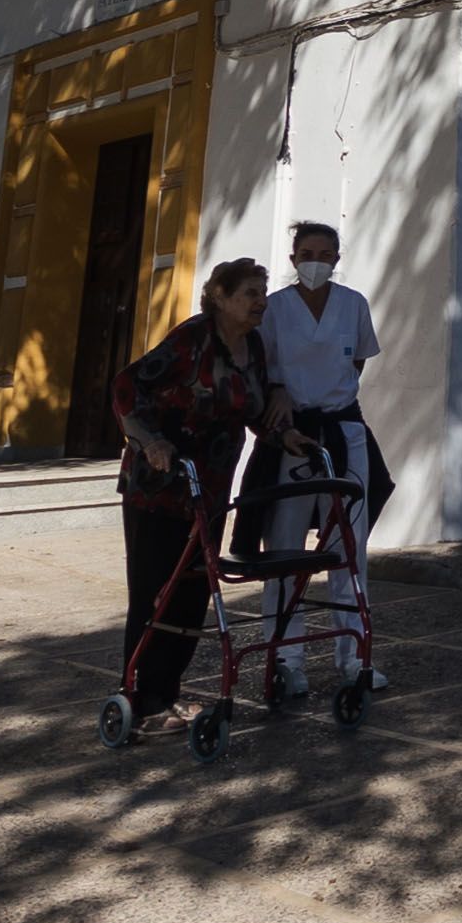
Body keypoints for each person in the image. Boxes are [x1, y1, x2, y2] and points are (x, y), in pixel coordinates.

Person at [111, 257, 291, 734]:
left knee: (192, 597)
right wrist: (149, 441)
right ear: (220, 297)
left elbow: (251, 410)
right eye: (250, 293)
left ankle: (167, 693)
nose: (261, 302)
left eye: (262, 293)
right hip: (159, 487)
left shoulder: (252, 346)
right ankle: (139, 699)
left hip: (208, 491)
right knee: (155, 593)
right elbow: (128, 386)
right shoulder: (192, 340)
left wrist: (286, 432)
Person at [249, 220, 394, 696]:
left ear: (337, 259)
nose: (316, 261)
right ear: (293, 258)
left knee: (348, 545)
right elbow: (263, 371)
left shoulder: (354, 304)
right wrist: (281, 394)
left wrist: (328, 398)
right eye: (307, 253)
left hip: (344, 431)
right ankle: (286, 661)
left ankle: (355, 658)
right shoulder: (274, 309)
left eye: (325, 254)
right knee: (285, 547)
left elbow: (357, 363)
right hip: (293, 436)